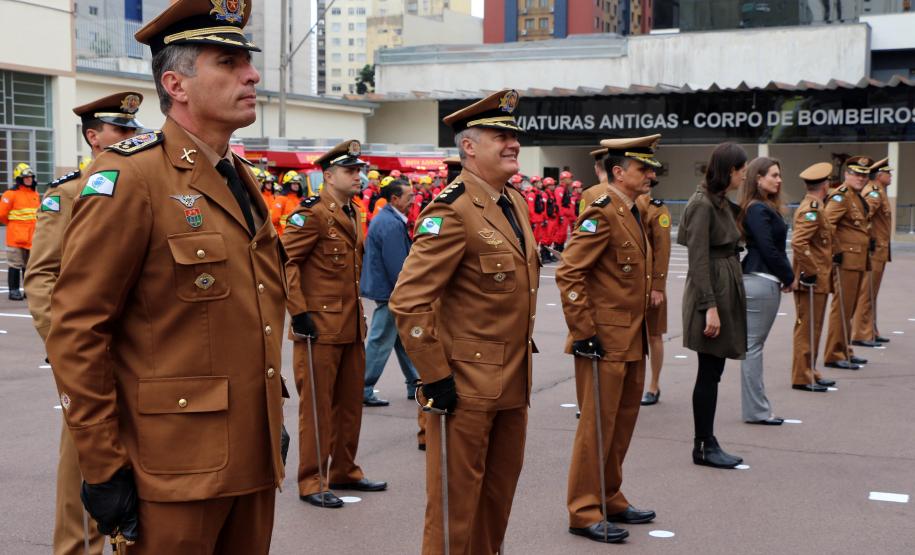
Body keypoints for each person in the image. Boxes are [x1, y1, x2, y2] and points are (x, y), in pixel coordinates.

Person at [46, 0, 288, 550]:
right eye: (228, 62)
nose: (250, 73)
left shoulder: (239, 177)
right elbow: (78, 330)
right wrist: (103, 467)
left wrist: (268, 418)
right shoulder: (131, 177)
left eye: (246, 61)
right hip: (171, 471)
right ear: (176, 84)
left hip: (248, 456)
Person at [390, 89, 539, 554]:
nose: (512, 143)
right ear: (469, 146)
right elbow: (409, 301)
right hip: (466, 387)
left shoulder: (512, 202)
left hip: (512, 381)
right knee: (455, 511)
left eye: (514, 134)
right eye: (500, 134)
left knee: (496, 500)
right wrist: (435, 377)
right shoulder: (450, 210)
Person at [25, 91, 144, 555]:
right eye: (122, 129)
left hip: (136, 353)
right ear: (94, 136)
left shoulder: (137, 183)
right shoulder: (69, 193)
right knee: (83, 466)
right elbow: (42, 276)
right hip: (88, 355)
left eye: (134, 127)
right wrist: (65, 348)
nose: (132, 135)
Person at [556, 135, 660, 544]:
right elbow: (569, 272)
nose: (651, 174)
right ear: (619, 172)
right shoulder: (602, 212)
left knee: (621, 425)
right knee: (597, 429)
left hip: (631, 338)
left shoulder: (631, 210)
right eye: (643, 168)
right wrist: (583, 332)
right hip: (604, 340)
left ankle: (609, 495)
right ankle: (583, 510)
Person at [282, 139, 388, 509]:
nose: (358, 176)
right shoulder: (310, 213)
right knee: (317, 407)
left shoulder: (352, 211)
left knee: (348, 405)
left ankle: (345, 469)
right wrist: (298, 311)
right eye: (350, 170)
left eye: (359, 170)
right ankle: (312, 479)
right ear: (328, 175)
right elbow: (286, 262)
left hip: (350, 324)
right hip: (318, 327)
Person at [678, 142, 749, 469]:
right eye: (741, 169)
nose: (744, 175)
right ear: (729, 170)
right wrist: (710, 307)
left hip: (721, 289)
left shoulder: (717, 201)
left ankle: (707, 441)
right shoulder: (703, 204)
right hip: (712, 294)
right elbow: (698, 261)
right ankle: (703, 444)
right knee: (708, 372)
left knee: (714, 371)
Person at [737, 157, 794, 425]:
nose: (779, 179)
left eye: (779, 174)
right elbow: (769, 247)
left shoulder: (763, 207)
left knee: (752, 346)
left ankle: (757, 409)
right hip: (759, 280)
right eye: (773, 174)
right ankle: (757, 411)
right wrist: (789, 276)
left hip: (762, 279)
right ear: (758, 179)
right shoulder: (757, 209)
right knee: (753, 347)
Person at [361, 178, 420, 407]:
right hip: (392, 292)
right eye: (409, 197)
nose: (413, 200)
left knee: (402, 340)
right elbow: (398, 265)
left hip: (390, 290)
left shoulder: (389, 219)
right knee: (380, 341)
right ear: (395, 198)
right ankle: (363, 388)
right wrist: (409, 292)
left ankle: (415, 382)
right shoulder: (391, 223)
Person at [790, 162, 839, 392]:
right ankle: (802, 375)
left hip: (818, 278)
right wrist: (810, 271)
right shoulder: (811, 208)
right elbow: (799, 242)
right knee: (807, 328)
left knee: (815, 327)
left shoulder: (817, 205)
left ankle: (811, 369)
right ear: (826, 184)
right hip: (811, 279)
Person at [823, 156, 871, 370]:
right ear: (847, 175)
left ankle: (845, 349)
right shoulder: (840, 197)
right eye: (857, 174)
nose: (861, 178)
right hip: (846, 261)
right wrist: (835, 252)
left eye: (864, 175)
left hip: (857, 260)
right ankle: (834, 354)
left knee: (849, 309)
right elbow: (826, 225)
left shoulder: (855, 196)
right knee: (842, 308)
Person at [851, 158, 893, 346]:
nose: (891, 175)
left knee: (871, 293)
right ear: (880, 175)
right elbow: (863, 216)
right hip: (873, 250)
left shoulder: (879, 191)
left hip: (879, 250)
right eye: (888, 173)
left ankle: (871, 330)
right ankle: (861, 333)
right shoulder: (874, 192)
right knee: (866, 294)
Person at [636, 178, 671, 406]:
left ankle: (654, 385)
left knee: (654, 335)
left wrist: (658, 286)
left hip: (650, 284)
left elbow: (662, 249)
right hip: (626, 284)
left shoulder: (656, 209)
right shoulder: (619, 205)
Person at [0, 163, 40, 300]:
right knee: (15, 265)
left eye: (30, 177)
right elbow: (2, 215)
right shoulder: (10, 194)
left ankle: (28, 291)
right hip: (16, 238)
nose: (29, 179)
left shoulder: (35, 194)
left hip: (31, 237)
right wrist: (14, 227)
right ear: (19, 178)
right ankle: (14, 291)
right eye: (26, 177)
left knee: (29, 267)